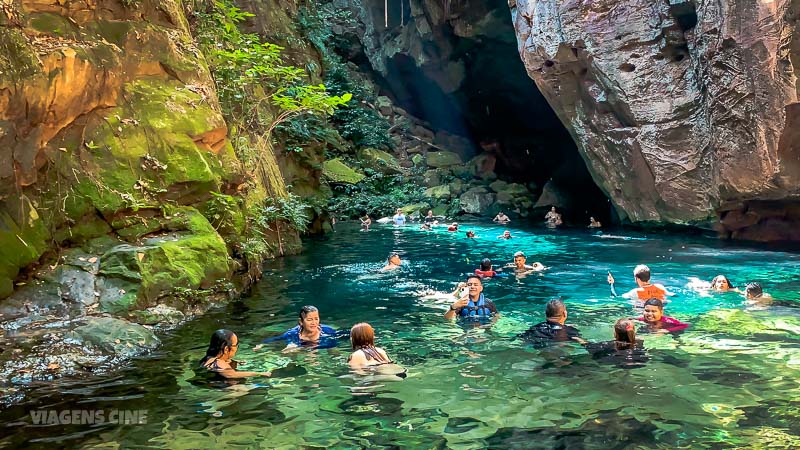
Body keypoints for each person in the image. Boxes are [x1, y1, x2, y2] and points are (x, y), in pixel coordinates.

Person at [256, 306, 338, 350]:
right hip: (302, 346)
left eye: (316, 319)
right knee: (290, 350)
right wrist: (262, 344)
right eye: (309, 320)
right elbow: (276, 339)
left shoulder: (327, 331)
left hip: (321, 345)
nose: (314, 323)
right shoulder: (293, 333)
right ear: (301, 322)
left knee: (333, 350)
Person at [200, 330, 271, 378]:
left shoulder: (207, 358)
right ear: (226, 349)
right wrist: (259, 374)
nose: (237, 347)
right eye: (236, 345)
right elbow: (232, 375)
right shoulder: (219, 363)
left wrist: (235, 362)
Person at [584, 319, 648, 368]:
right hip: (640, 362)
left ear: (615, 334)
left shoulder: (608, 344)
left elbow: (588, 346)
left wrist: (578, 338)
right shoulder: (640, 342)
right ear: (633, 333)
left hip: (614, 362)